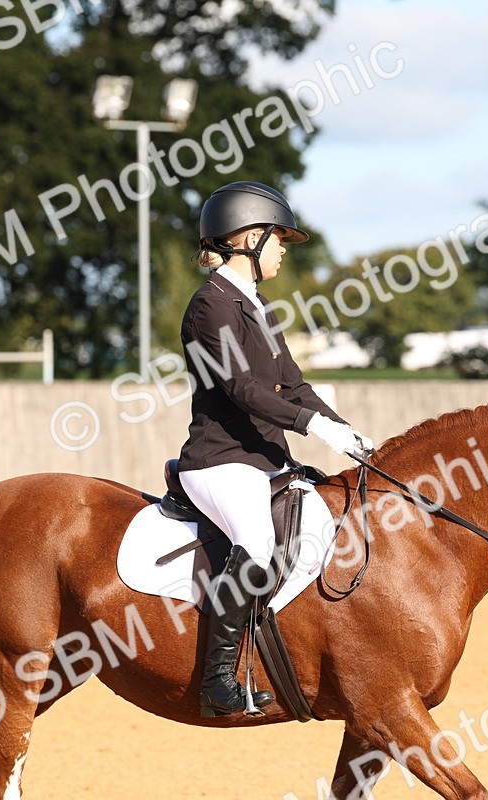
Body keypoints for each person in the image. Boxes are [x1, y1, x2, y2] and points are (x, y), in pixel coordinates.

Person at [176, 181, 374, 718]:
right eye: (278, 238)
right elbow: (243, 389)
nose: (284, 248)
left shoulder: (260, 308)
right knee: (258, 542)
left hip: (267, 461)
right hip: (219, 460)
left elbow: (294, 386)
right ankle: (217, 680)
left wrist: (343, 430)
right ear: (246, 238)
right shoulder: (209, 307)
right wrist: (312, 425)